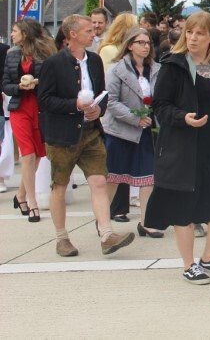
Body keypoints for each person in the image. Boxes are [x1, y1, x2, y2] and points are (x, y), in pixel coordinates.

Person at [142, 12, 210, 283]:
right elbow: (160, 106)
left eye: (199, 33)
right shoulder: (174, 65)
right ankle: (188, 264)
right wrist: (182, 118)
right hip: (184, 148)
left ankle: (209, 257)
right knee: (183, 208)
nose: (193, 38)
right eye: (190, 32)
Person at [37, 14, 134, 257]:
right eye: (88, 31)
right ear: (72, 34)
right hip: (62, 135)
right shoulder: (53, 63)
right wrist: (74, 105)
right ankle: (62, 238)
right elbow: (45, 100)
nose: (94, 34)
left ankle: (106, 234)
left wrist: (99, 109)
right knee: (60, 185)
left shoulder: (94, 60)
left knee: (99, 180)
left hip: (91, 131)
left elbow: (103, 93)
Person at [103, 27, 161, 238]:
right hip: (120, 131)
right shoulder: (117, 69)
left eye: (148, 43)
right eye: (140, 42)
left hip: (146, 130)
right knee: (113, 177)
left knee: (148, 177)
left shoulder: (156, 69)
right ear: (129, 45)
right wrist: (135, 118)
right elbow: (111, 101)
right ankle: (103, 220)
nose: (145, 47)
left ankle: (147, 222)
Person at [4, 18, 57, 222]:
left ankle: (20, 195)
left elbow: (52, 81)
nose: (12, 34)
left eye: (15, 31)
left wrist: (37, 83)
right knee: (27, 154)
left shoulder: (45, 54)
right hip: (19, 108)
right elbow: (5, 84)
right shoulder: (12, 55)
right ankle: (31, 202)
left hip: (40, 108)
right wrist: (19, 87)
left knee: (38, 154)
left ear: (25, 33)